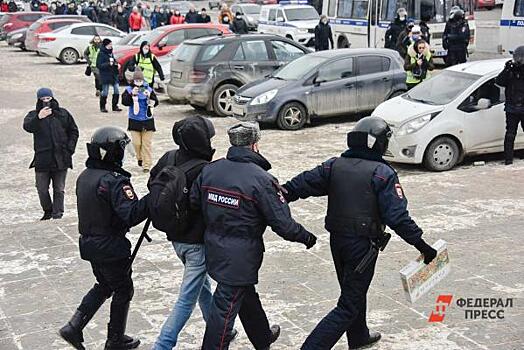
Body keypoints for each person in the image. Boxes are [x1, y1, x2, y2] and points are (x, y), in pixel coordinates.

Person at [283, 116, 437, 350]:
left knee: (353, 291)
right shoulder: (383, 173)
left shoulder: (333, 165)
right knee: (348, 305)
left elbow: (298, 186)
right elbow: (397, 217)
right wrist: (422, 246)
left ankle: (359, 336)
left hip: (338, 242)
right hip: (362, 247)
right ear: (378, 144)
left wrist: (275, 195)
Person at [191, 122, 317, 350]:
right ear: (255, 144)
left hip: (216, 249)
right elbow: (283, 224)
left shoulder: (210, 170)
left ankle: (262, 337)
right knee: (224, 312)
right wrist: (306, 237)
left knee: (246, 295)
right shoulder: (261, 179)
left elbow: (193, 202)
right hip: (241, 257)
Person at [58, 126, 149, 350]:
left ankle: (74, 326)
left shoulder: (85, 176)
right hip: (110, 246)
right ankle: (115, 339)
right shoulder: (114, 180)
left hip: (90, 244)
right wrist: (154, 198)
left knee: (105, 285)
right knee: (123, 289)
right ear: (112, 152)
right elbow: (131, 214)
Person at [151, 116, 223, 350]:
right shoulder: (205, 169)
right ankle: (163, 345)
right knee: (186, 300)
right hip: (197, 244)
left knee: (202, 286)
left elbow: (153, 183)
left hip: (175, 238)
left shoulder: (169, 157)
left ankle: (222, 328)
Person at [23, 88, 79, 221]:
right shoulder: (33, 115)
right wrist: (38, 117)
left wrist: (70, 149)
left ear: (52, 98)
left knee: (59, 189)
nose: (46, 101)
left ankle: (58, 213)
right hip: (42, 158)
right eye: (43, 99)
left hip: (61, 158)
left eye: (48, 98)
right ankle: (48, 210)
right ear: (38, 100)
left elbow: (74, 131)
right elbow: (27, 127)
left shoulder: (63, 114)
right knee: (41, 188)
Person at [121, 68, 159, 173]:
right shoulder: (129, 89)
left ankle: (147, 165)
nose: (139, 83)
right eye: (136, 81)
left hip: (148, 120)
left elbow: (156, 102)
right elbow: (125, 102)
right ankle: (140, 158)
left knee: (146, 144)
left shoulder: (149, 89)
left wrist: (150, 97)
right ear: (133, 81)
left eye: (140, 80)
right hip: (134, 120)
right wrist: (131, 95)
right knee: (137, 143)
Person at [496, 46, 524, 165]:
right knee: (510, 134)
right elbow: (499, 81)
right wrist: (507, 69)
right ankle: (508, 159)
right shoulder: (511, 71)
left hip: (523, 107)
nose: (517, 61)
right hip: (511, 108)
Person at [96, 38, 122, 113]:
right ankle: (102, 106)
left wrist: (117, 64)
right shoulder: (101, 53)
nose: (111, 46)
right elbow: (99, 65)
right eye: (109, 44)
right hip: (105, 75)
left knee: (116, 89)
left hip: (113, 74)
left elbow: (113, 61)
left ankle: (115, 106)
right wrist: (108, 64)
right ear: (106, 45)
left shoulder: (111, 52)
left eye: (111, 44)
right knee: (105, 91)